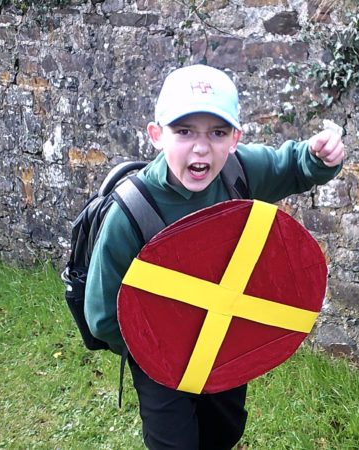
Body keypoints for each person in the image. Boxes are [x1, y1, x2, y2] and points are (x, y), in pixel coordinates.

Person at [84, 64, 345, 450]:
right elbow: (103, 316)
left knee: (224, 430)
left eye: (217, 132)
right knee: (173, 443)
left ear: (235, 138)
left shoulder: (237, 172)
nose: (201, 147)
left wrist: (318, 157)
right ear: (156, 134)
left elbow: (293, 167)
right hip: (160, 360)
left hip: (223, 343)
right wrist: (159, 344)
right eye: (184, 131)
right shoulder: (130, 211)